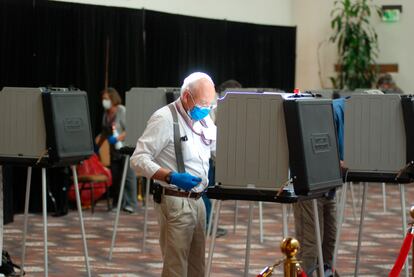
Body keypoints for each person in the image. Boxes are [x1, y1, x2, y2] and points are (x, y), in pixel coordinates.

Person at [130, 72, 217, 277]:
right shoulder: (164, 118)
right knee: (176, 266)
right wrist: (170, 176)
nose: (206, 109)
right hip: (175, 200)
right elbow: (138, 159)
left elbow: (216, 148)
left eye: (210, 105)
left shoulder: (205, 118)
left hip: (199, 200)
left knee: (197, 266)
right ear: (187, 96)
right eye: (203, 104)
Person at [292, 97, 344, 277]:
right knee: (310, 246)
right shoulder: (333, 112)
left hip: (330, 187)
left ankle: (325, 273)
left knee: (330, 241)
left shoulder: (341, 113)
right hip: (309, 188)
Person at [97, 87, 138, 213]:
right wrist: (97, 146)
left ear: (113, 99)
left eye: (106, 99)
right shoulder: (106, 114)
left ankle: (131, 204)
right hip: (113, 151)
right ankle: (118, 203)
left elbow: (130, 128)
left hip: (125, 149)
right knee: (116, 178)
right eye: (103, 99)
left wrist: (118, 138)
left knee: (128, 177)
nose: (104, 101)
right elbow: (105, 132)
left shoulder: (122, 110)